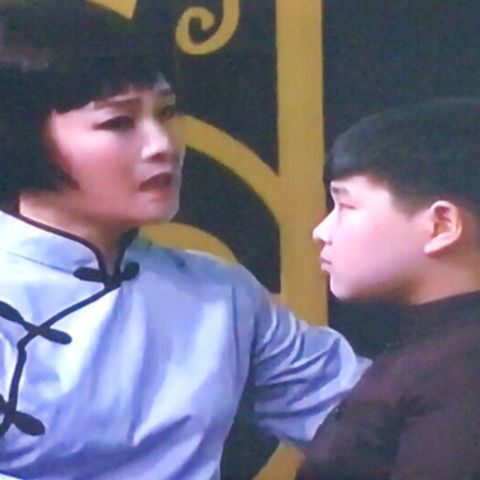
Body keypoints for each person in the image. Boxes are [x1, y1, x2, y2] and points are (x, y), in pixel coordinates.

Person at [0, 1, 368, 479]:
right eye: (119, 122)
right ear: (17, 137)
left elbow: (372, 417)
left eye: (167, 112)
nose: (162, 145)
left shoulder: (218, 292)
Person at [298, 98, 480, 480]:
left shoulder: (462, 371)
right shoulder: (433, 347)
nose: (321, 232)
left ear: (441, 225)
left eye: (345, 206)